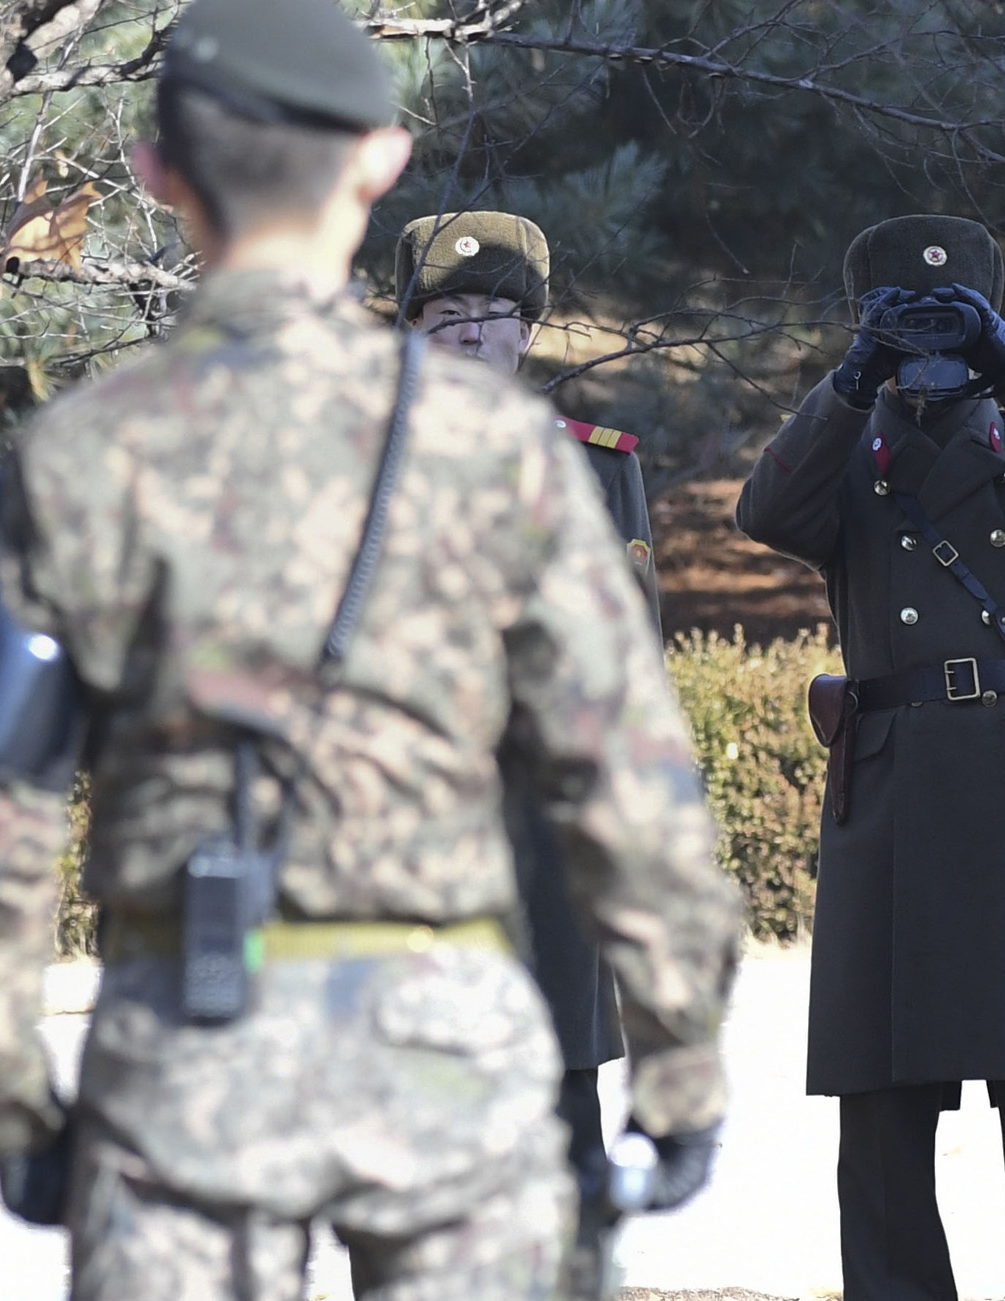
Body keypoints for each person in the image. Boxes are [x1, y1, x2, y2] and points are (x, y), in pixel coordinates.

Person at [0, 1, 742, 1297]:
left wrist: (13, 1100)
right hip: (449, 1056)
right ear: (379, 162)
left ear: (158, 172)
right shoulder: (501, 455)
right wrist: (680, 1068)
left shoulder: (74, 459)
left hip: (184, 1048)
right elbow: (626, 785)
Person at [736, 214, 1005, 1301]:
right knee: (880, 1122)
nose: (926, 346)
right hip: (892, 797)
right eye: (901, 321)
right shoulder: (850, 447)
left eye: (945, 321)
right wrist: (849, 378)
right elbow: (763, 509)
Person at [390, 209, 659, 1296]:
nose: (465, 338)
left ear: (527, 332)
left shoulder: (595, 469)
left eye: (488, 315)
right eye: (442, 315)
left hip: (546, 839)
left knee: (561, 1102)